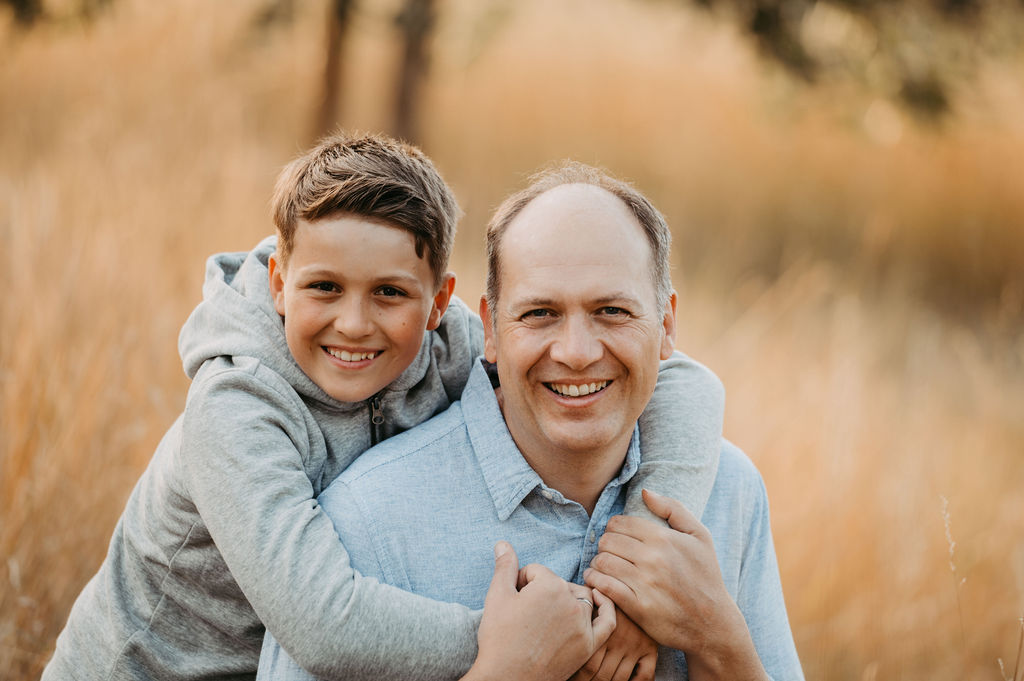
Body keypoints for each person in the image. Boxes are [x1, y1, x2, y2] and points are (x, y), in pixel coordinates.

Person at [42, 134, 726, 680]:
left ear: (438, 300)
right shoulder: (237, 407)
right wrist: (534, 642)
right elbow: (324, 621)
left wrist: (637, 579)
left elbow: (686, 381)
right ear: (280, 282)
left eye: (389, 294)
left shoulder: (451, 342)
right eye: (324, 287)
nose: (355, 323)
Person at [258, 162, 804, 681]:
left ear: (666, 325)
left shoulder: (729, 491)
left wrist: (717, 638)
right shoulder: (367, 522)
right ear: (490, 331)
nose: (576, 352)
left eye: (612, 311)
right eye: (539, 313)